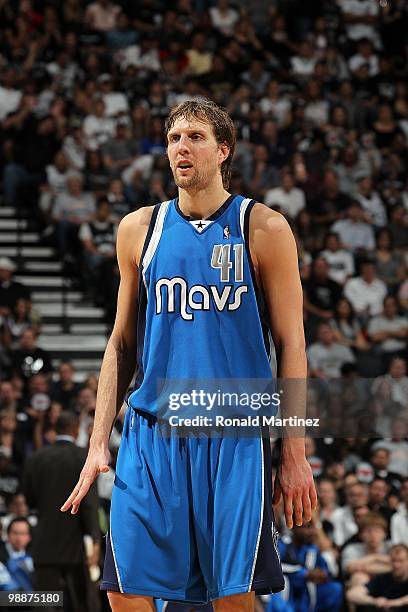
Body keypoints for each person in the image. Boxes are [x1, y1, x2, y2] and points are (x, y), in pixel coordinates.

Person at [61, 99, 316, 611]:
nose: (181, 146)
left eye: (195, 137)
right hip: (151, 434)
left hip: (233, 437)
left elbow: (292, 343)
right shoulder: (138, 228)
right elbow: (120, 343)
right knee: (126, 591)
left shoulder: (262, 228)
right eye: (174, 138)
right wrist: (96, 445)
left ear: (223, 151)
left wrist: (292, 450)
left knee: (232, 598)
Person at [23, 412, 100, 612]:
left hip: (44, 544)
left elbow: (29, 499)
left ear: (55, 430)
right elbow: (90, 505)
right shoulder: (83, 457)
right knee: (79, 605)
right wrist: (94, 540)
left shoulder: (36, 458)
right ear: (76, 430)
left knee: (44, 604)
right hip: (75, 548)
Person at [346, 544, 408, 609]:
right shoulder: (383, 578)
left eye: (401, 561)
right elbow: (352, 594)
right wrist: (374, 601)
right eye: (393, 560)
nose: (396, 565)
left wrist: (394, 603)